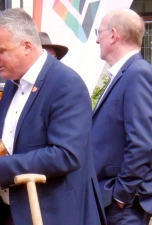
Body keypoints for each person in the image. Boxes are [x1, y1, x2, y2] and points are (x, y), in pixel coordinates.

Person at [0, 8, 105, 225]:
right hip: (12, 212)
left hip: (52, 215)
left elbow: (67, 154)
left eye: (0, 50)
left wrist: (0, 168)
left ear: (27, 46)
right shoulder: (12, 83)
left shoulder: (66, 84)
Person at [92, 9, 152, 224]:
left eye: (99, 32)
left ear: (113, 35)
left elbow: (142, 143)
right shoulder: (126, 73)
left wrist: (121, 194)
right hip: (112, 199)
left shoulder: (137, 73)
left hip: (123, 206)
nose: (97, 39)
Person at [0, 31, 69, 138]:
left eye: (50, 57)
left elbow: (64, 151)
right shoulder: (12, 84)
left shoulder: (64, 87)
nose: (46, 62)